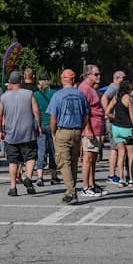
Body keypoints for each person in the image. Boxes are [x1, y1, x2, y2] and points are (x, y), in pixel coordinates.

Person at [46, 68, 90, 204]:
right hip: (77, 130)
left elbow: (53, 118)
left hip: (63, 130)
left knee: (64, 162)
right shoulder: (81, 95)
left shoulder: (57, 95)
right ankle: (70, 190)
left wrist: (54, 133)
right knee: (73, 162)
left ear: (62, 79)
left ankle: (71, 192)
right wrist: (80, 128)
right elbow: (86, 116)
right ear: (73, 79)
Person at [0, 70, 40, 197]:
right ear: (21, 81)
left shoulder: (4, 97)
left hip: (11, 133)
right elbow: (36, 111)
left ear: (10, 82)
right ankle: (28, 176)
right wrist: (39, 125)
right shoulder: (29, 93)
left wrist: (0, 130)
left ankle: (13, 187)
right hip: (27, 132)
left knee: (13, 161)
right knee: (31, 157)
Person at [77, 64, 107, 198]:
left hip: (97, 128)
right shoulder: (84, 89)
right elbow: (84, 111)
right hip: (90, 129)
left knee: (94, 158)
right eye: (96, 74)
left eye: (99, 74)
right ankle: (85, 187)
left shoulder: (91, 88)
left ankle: (92, 184)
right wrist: (88, 129)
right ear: (88, 75)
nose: (99, 76)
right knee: (88, 158)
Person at [108, 76, 133, 190]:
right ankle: (131, 179)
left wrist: (114, 118)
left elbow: (107, 111)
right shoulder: (129, 98)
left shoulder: (116, 97)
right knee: (131, 155)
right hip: (127, 128)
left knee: (121, 154)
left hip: (116, 128)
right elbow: (132, 115)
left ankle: (121, 179)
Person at [101, 69, 127, 183]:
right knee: (114, 148)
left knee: (116, 148)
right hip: (113, 121)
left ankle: (113, 174)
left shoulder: (116, 88)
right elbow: (104, 97)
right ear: (117, 78)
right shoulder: (114, 87)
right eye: (123, 78)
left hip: (115, 121)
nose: (125, 80)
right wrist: (108, 113)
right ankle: (112, 174)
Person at [33, 72, 57, 184]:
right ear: (49, 82)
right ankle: (54, 176)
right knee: (52, 150)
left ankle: (39, 176)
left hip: (40, 125)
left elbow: (34, 111)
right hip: (52, 125)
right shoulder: (54, 93)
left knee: (41, 150)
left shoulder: (36, 95)